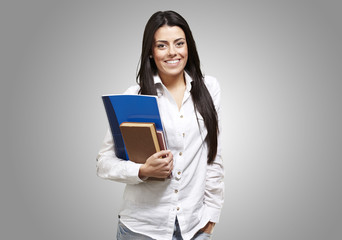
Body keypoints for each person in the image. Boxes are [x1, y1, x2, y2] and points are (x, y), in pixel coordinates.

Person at [96, 10, 224, 240]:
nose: (172, 52)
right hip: (142, 229)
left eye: (179, 43)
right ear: (150, 53)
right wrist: (142, 171)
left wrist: (212, 215)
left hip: (194, 227)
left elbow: (213, 157)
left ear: (189, 47)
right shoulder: (134, 96)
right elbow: (104, 163)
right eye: (162, 45)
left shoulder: (209, 89)